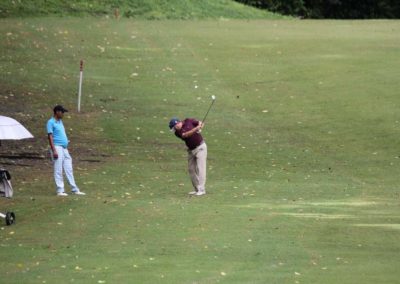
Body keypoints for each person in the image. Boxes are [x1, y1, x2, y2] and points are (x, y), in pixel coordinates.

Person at [46, 105, 85, 196]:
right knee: (58, 169)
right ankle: (60, 190)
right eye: (62, 112)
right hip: (57, 147)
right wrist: (54, 150)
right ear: (57, 112)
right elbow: (50, 137)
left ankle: (74, 189)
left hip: (64, 148)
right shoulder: (50, 122)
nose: (63, 114)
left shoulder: (60, 122)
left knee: (69, 168)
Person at [169, 117, 207, 196]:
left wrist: (200, 126)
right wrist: (196, 129)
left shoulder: (188, 120)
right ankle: (197, 189)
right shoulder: (178, 132)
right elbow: (186, 135)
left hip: (201, 148)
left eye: (175, 126)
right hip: (191, 150)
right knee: (191, 169)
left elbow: (200, 122)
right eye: (174, 128)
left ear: (178, 122)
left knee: (201, 168)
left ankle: (202, 189)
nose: (175, 128)